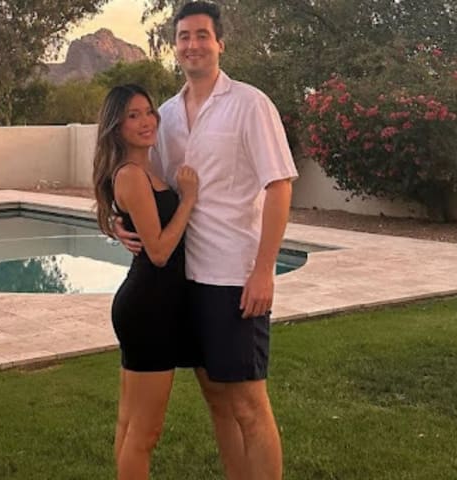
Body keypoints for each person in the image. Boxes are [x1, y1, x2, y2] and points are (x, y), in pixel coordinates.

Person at [114, 2, 299, 478]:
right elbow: (145, 186)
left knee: (249, 405)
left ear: (220, 43)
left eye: (201, 35)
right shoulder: (167, 116)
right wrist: (116, 222)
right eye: (184, 37)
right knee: (217, 401)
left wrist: (264, 270)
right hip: (182, 283)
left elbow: (279, 186)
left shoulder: (250, 105)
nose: (192, 45)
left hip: (232, 278)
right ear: (174, 46)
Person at [92, 84, 199, 480]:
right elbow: (158, 252)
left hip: (149, 305)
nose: (146, 121)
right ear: (116, 127)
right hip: (149, 310)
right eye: (132, 116)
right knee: (145, 432)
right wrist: (188, 199)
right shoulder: (133, 175)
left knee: (130, 423)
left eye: (148, 112)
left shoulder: (145, 171)